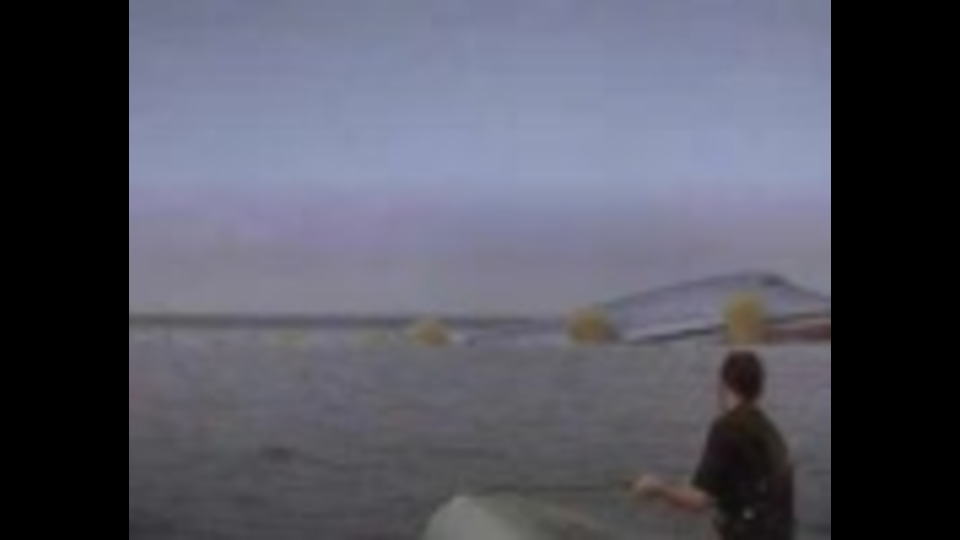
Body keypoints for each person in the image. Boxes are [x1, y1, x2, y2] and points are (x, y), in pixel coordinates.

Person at [632, 350, 795, 540]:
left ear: (724, 385)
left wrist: (657, 488)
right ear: (759, 389)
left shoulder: (726, 428)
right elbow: (749, 488)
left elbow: (698, 501)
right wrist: (690, 486)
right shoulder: (771, 431)